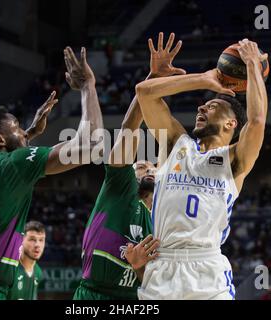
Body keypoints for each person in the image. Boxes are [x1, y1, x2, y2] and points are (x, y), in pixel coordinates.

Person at [0, 47, 104, 300]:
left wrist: (27, 134)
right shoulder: (12, 165)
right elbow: (91, 146)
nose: (22, 131)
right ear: (1, 139)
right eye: (16, 127)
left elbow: (4, 157)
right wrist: (88, 85)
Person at [135, 34, 268, 300]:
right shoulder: (175, 144)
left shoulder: (234, 159)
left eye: (213, 105)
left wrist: (253, 64)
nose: (201, 107)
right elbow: (143, 94)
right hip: (163, 267)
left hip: (207, 270)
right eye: (203, 104)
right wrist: (203, 78)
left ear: (231, 124)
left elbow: (256, 121)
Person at [73, 33, 186, 300]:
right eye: (139, 166)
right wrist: (151, 81)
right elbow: (128, 129)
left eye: (150, 167)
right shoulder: (121, 188)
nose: (146, 167)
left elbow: (158, 282)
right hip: (95, 295)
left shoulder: (162, 220)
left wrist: (139, 268)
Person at [7, 221, 46, 300]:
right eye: (32, 239)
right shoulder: (10, 269)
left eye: (41, 240)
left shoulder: (38, 272)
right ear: (21, 240)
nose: (37, 245)